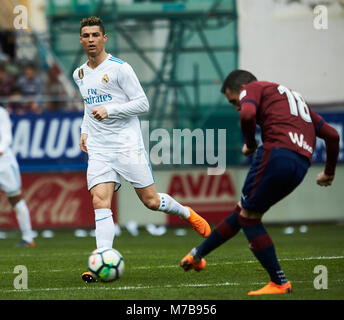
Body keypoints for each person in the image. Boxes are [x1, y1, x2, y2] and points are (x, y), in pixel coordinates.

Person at [73, 17, 211, 283]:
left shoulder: (120, 69)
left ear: (105, 38)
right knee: (100, 201)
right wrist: (84, 131)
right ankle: (101, 260)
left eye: (95, 35)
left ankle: (186, 212)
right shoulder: (79, 74)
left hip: (127, 145)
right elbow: (87, 106)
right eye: (86, 35)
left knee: (150, 201)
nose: (90, 39)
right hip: (100, 148)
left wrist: (110, 109)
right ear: (81, 40)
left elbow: (142, 104)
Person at [180, 70, 340, 295]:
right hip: (301, 165)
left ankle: (279, 282)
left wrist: (251, 144)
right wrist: (329, 173)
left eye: (234, 100)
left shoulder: (254, 87)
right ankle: (196, 255)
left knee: (249, 218)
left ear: (242, 87)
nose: (236, 106)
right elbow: (332, 135)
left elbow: (246, 115)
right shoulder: (293, 99)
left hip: (276, 154)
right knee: (245, 212)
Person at [0, 105, 35, 247]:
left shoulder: (1, 113)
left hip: (4, 162)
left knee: (15, 198)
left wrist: (0, 150)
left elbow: (7, 136)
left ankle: (28, 238)